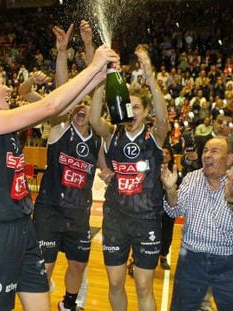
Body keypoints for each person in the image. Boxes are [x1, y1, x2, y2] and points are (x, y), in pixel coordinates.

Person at [0, 38, 118, 309]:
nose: (8, 87)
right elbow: (49, 106)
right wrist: (92, 65)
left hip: (23, 226)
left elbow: (61, 107)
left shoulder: (5, 123)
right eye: (2, 83)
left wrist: (97, 77)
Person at [32, 21, 106, 311]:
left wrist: (90, 46)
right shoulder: (61, 129)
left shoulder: (98, 139)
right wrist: (62, 54)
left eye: (87, 103)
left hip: (78, 214)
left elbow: (97, 83)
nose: (82, 107)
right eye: (78, 104)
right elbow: (62, 94)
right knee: (45, 269)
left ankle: (69, 304)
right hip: (50, 210)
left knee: (77, 265)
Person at [90, 45, 168, 311]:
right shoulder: (113, 133)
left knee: (144, 286)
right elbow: (93, 120)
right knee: (115, 284)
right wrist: (100, 81)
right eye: (128, 106)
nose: (132, 111)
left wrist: (150, 76)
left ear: (146, 111)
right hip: (115, 219)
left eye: (137, 107)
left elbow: (164, 118)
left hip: (146, 219)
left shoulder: (154, 137)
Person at [161, 136, 233, 310]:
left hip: (227, 261)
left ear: (229, 158)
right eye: (206, 150)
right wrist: (170, 190)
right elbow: (174, 210)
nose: (207, 155)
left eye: (214, 151)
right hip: (191, 259)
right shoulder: (192, 178)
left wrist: (231, 201)